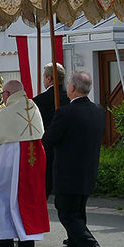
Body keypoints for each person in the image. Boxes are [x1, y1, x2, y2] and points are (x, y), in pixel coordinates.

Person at [43, 71, 109, 247]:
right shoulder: (99, 111)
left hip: (67, 173)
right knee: (78, 214)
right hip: (88, 172)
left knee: (67, 214)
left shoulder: (65, 113)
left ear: (72, 88)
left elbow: (48, 141)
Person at [0, 80, 49, 247]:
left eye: (3, 94)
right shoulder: (33, 107)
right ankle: (27, 241)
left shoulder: (7, 112)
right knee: (27, 197)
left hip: (9, 156)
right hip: (32, 157)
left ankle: (4, 238)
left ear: (8, 94)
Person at [32, 63, 70, 198]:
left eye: (44, 77)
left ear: (49, 79)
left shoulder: (39, 101)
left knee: (45, 187)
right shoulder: (70, 98)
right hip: (68, 149)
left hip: (47, 148)